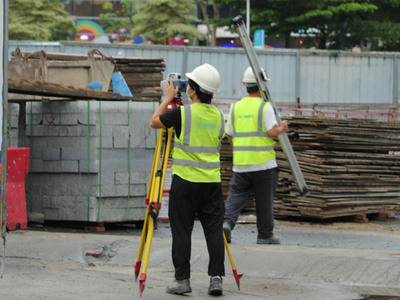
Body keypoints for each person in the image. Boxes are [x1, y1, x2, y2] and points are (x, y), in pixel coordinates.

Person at [150, 63, 226, 296]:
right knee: (213, 231)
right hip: (212, 183)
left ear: (192, 90)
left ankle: (182, 281)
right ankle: (215, 279)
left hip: (185, 183)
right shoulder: (220, 116)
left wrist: (168, 97)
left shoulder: (182, 113)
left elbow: (155, 121)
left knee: (182, 231)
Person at [223, 66, 288, 245]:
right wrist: (282, 128)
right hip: (263, 164)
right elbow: (272, 131)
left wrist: (239, 148)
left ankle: (226, 223)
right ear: (262, 85)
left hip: (241, 163)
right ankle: (265, 234)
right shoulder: (265, 107)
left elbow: (229, 134)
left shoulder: (235, 107)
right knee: (264, 200)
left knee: (236, 195)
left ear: (245, 85)